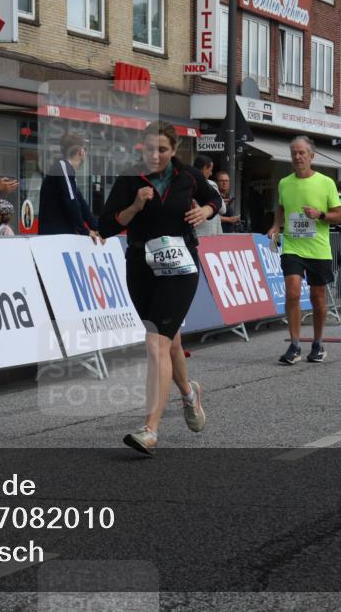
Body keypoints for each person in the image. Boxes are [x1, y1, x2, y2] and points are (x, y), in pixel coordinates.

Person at [99, 122, 221, 456]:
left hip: (181, 268)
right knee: (170, 341)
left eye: (162, 150)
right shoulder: (130, 180)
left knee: (155, 342)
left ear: (174, 149)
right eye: (150, 149)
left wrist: (204, 210)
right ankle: (188, 392)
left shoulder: (189, 177)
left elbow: (215, 199)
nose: (155, 155)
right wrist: (135, 207)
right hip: (141, 267)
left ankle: (150, 429)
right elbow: (107, 225)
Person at [267, 136, 341, 365]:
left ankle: (318, 343)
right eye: (294, 153)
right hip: (293, 246)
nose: (297, 157)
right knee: (292, 293)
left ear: (311, 156)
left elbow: (339, 216)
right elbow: (280, 208)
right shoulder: (284, 183)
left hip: (318, 249)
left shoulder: (326, 182)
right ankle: (295, 345)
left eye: (302, 153)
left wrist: (319, 215)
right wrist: (275, 225)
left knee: (317, 298)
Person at [37, 133, 101, 242]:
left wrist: (97, 228)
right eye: (85, 149)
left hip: (61, 234)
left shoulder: (67, 169)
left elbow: (80, 202)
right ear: (80, 151)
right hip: (55, 236)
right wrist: (85, 231)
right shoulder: (63, 167)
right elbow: (71, 202)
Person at [192, 156, 225, 236]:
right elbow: (223, 210)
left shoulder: (184, 183)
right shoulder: (211, 185)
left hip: (193, 234)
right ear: (204, 168)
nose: (211, 173)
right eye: (210, 170)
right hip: (209, 234)